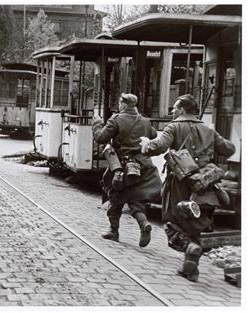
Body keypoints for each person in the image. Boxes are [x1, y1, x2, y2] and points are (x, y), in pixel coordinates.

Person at [141, 94, 235, 282]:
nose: (173, 111)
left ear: (182, 109)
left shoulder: (173, 126)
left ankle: (189, 248)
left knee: (172, 222)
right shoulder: (208, 129)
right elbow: (229, 149)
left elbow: (159, 146)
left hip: (180, 183)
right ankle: (191, 268)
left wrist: (145, 145)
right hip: (205, 183)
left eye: (175, 108)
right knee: (196, 223)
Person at [93, 93, 162, 247]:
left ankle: (114, 230)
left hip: (121, 166)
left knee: (116, 195)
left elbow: (100, 138)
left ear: (123, 104)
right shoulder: (144, 120)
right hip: (142, 165)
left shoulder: (117, 119)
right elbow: (153, 134)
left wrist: (97, 124)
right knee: (135, 198)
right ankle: (144, 223)